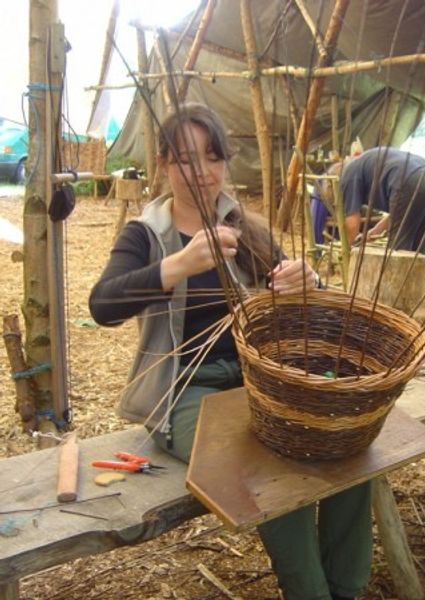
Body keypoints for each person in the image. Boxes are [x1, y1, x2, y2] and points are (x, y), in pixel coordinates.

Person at [89, 103, 373, 599]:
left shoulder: (243, 227)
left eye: (212, 157)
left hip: (261, 381)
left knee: (344, 440)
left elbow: (307, 305)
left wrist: (310, 282)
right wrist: (176, 265)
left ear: (225, 162)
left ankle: (346, 587)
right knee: (272, 464)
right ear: (163, 164)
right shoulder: (145, 235)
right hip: (185, 393)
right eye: (185, 158)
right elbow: (102, 305)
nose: (201, 172)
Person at [321, 146, 425, 252]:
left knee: (398, 251)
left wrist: (346, 249)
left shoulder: (346, 177)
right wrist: (376, 230)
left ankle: (398, 279)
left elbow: (352, 223)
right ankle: (418, 279)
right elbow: (400, 213)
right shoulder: (360, 166)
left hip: (411, 180)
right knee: (418, 248)